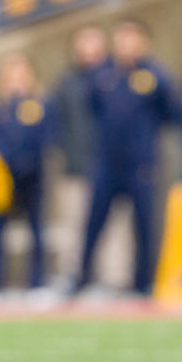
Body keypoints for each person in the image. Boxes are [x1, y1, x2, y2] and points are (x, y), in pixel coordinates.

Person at [75, 19, 179, 296]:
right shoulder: (103, 74)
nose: (126, 45)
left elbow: (170, 114)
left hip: (141, 164)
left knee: (144, 225)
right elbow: (92, 108)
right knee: (93, 223)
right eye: (122, 38)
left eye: (132, 38)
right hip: (108, 162)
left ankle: (143, 282)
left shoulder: (156, 76)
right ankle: (81, 279)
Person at [0, 53, 52, 295]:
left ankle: (37, 283)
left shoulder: (39, 105)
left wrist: (27, 163)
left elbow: (46, 139)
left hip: (32, 177)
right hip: (3, 178)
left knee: (36, 231)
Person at [51, 25, 108, 287]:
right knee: (72, 224)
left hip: (108, 167)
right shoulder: (67, 82)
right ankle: (72, 276)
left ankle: (114, 280)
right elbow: (56, 122)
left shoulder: (113, 78)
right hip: (75, 165)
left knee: (114, 229)